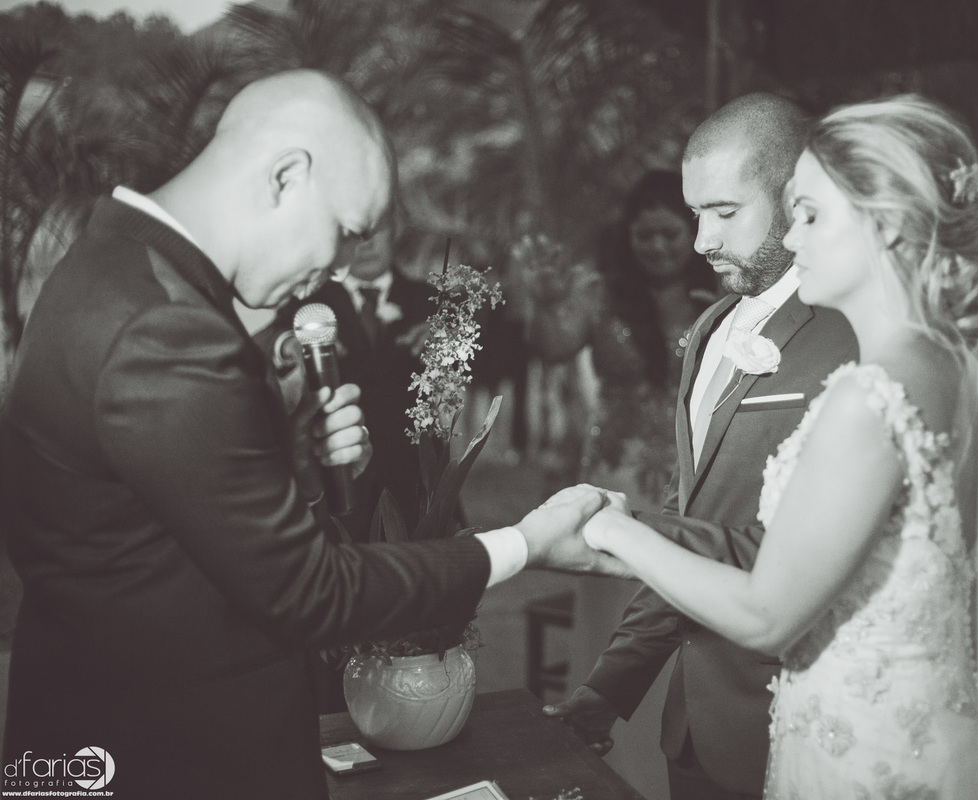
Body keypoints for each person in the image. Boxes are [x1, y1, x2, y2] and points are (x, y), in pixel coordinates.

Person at [0, 69, 623, 800]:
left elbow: (152, 528)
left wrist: (289, 461)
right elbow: (310, 592)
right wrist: (525, 543)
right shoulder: (164, 328)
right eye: (347, 231)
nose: (340, 265)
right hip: (170, 753)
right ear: (286, 176)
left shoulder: (111, 260)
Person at [580, 95, 978, 800]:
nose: (794, 237)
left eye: (810, 215)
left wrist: (609, 529)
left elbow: (768, 610)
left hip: (861, 750)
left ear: (889, 227)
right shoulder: (954, 364)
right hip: (893, 723)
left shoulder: (868, 390)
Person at [544, 93, 857, 800]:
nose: (700, 242)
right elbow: (690, 514)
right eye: (696, 215)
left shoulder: (849, 332)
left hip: (792, 722)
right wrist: (608, 690)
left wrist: (616, 529)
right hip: (689, 734)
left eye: (724, 213)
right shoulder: (711, 329)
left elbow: (795, 553)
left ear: (794, 196)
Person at [529, 170, 719, 506]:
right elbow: (555, 349)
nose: (658, 246)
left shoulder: (717, 294)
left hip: (695, 466)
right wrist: (546, 305)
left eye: (670, 234)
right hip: (616, 469)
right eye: (645, 235)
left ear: (693, 232)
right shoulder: (599, 294)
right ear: (628, 236)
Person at [262, 219, 435, 539]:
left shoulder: (431, 302)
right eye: (356, 234)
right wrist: (288, 344)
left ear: (396, 229)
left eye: (376, 230)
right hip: (341, 481)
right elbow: (270, 334)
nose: (366, 244)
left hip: (416, 482)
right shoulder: (310, 304)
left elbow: (484, 355)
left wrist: (448, 342)